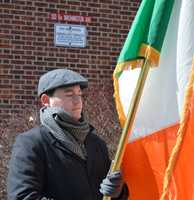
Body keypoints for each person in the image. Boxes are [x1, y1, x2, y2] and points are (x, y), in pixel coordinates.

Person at [7, 68, 128, 200]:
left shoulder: (97, 144)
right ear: (46, 100)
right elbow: (22, 196)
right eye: (69, 94)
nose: (78, 101)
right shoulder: (31, 143)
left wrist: (118, 192)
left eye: (79, 94)